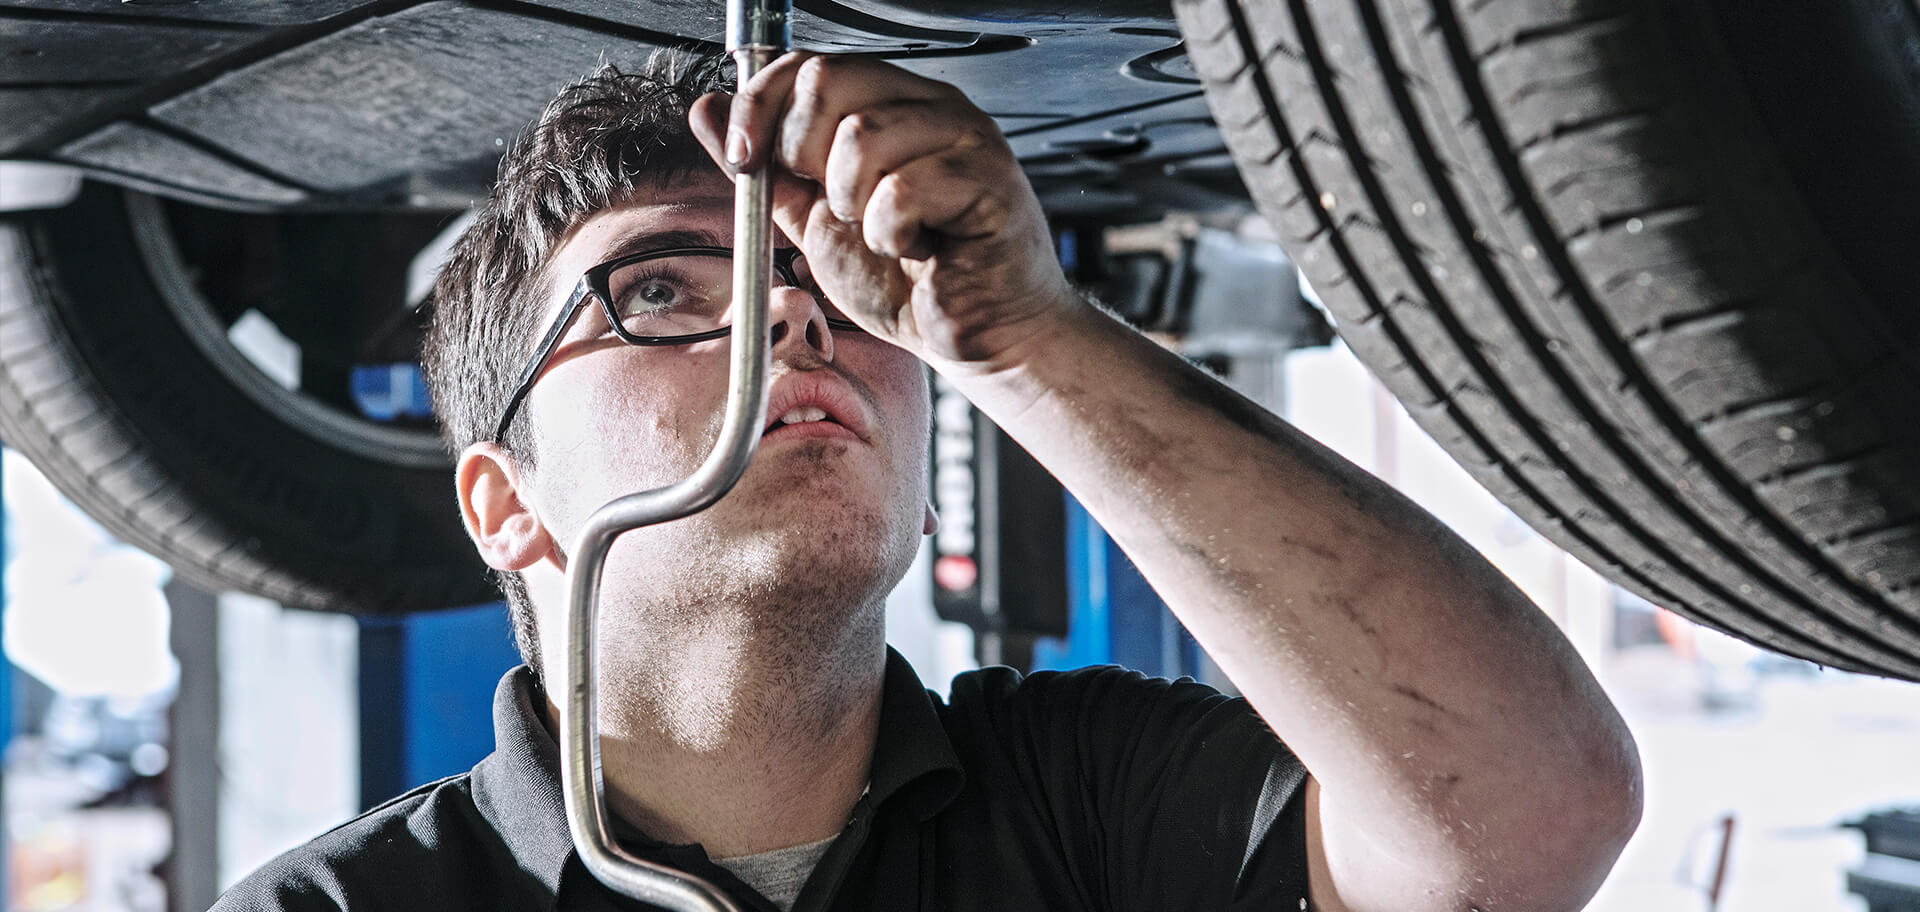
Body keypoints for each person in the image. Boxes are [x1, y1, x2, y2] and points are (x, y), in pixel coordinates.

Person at [214, 51, 1641, 912]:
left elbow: (1529, 819)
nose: (790, 318)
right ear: (504, 504)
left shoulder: (1089, 804)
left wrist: (1031, 342)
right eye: (655, 289)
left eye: (820, 282)